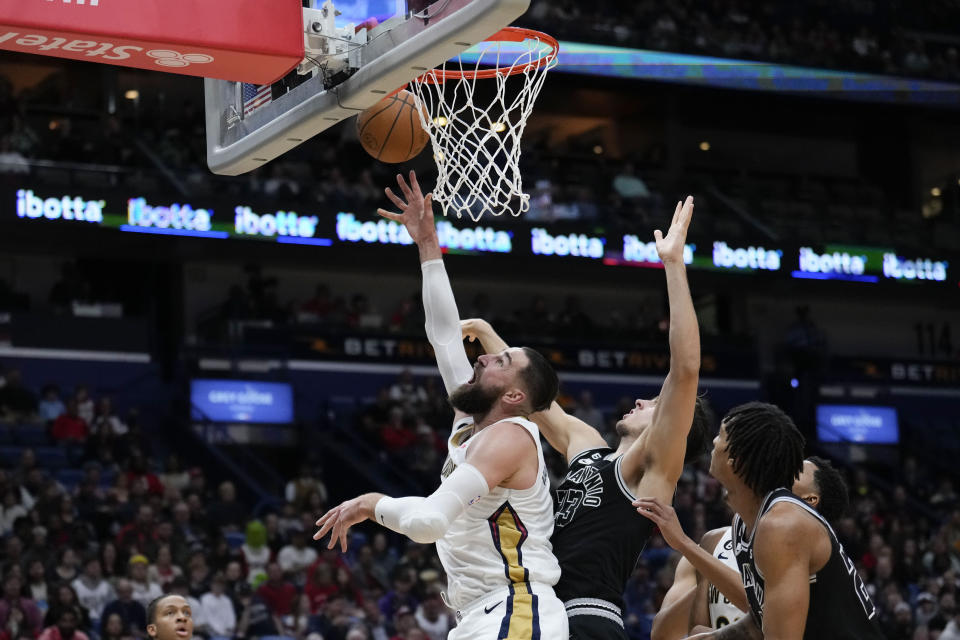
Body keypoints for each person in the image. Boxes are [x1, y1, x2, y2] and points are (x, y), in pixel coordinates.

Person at [314, 171, 567, 639]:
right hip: (486, 614)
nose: (486, 353)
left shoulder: (511, 436)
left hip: (517, 609)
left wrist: (373, 504)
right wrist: (428, 244)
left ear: (514, 396)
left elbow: (430, 521)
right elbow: (446, 337)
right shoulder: (472, 421)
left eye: (502, 361)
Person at [461, 195, 705, 639]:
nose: (641, 403)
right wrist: (487, 336)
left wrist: (673, 265)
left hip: (588, 618)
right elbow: (534, 402)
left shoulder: (649, 471)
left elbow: (685, 371)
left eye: (654, 404)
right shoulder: (591, 449)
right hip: (539, 609)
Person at [684, 402, 883, 639]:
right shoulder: (745, 523)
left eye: (722, 436)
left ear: (737, 460)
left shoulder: (782, 525)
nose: (714, 442)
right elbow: (757, 623)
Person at [648, 456, 850, 640]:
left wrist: (689, 548)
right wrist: (707, 566)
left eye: (794, 473)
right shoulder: (715, 540)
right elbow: (673, 633)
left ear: (810, 500)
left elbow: (774, 622)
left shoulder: (822, 560)